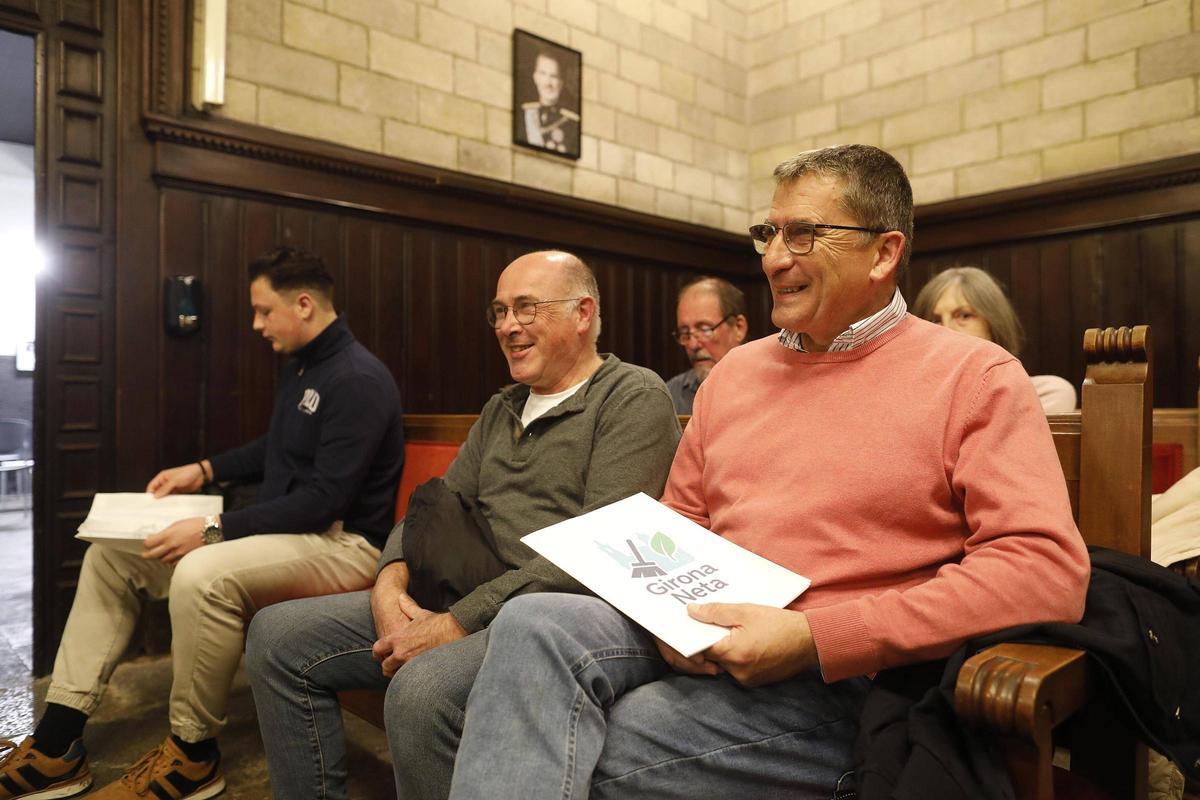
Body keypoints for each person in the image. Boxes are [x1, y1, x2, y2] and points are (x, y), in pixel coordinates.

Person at [444, 145, 1091, 799]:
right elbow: (678, 523)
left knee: (599, 739)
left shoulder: (973, 376)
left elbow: (1044, 571)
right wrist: (664, 611)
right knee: (533, 624)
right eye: (769, 232)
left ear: (884, 252)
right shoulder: (735, 375)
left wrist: (813, 636)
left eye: (804, 234)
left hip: (847, 679)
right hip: (706, 625)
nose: (775, 257)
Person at [244, 250, 680, 800]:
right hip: (457, 587)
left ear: (583, 313)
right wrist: (390, 579)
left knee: (421, 693)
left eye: (526, 308)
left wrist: (458, 622)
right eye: (498, 312)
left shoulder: (630, 396)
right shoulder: (503, 408)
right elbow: (435, 506)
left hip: (546, 616)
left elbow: (603, 551)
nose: (508, 326)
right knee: (277, 637)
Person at [0, 247, 404, 800]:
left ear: (304, 304)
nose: (256, 324)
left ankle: (193, 755)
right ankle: (59, 739)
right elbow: (277, 449)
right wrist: (204, 469)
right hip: (300, 535)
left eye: (264, 311)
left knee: (201, 573)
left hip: (347, 542)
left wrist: (213, 528)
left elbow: (323, 500)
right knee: (113, 556)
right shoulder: (304, 367)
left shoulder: (359, 378)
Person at [912, 266, 1077, 412]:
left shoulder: (1047, 393)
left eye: (964, 315)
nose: (946, 329)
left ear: (993, 324)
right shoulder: (911, 396)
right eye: (935, 320)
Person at [665, 276, 748, 414]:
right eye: (685, 333)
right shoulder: (672, 395)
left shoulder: (772, 385)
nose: (693, 345)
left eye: (705, 329)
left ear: (738, 327)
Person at [520, 52, 579, 154]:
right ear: (535, 77)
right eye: (543, 74)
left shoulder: (572, 123)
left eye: (554, 76)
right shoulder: (523, 114)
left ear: (561, 83)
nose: (548, 83)